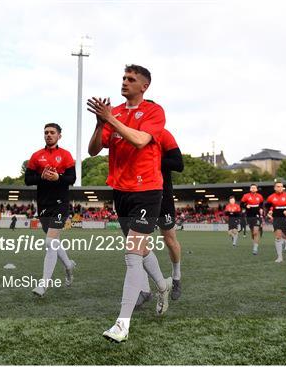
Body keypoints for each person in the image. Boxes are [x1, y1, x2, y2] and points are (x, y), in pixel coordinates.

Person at [87, 64, 171, 343]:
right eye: (123, 77)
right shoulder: (116, 114)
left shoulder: (153, 112)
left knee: (132, 254)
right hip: (121, 192)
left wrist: (110, 119)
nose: (124, 82)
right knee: (141, 250)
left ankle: (122, 324)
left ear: (144, 86)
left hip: (147, 189)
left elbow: (139, 140)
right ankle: (162, 286)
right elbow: (94, 149)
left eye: (131, 79)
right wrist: (101, 124)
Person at [25, 123, 76, 297]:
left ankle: (43, 284)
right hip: (43, 204)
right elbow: (27, 179)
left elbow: (72, 178)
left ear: (59, 136)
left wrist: (57, 177)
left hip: (60, 203)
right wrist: (41, 176)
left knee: (49, 242)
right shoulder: (36, 156)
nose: (48, 135)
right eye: (46, 132)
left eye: (52, 132)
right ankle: (68, 265)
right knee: (53, 242)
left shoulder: (66, 155)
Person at [136, 127, 184, 307]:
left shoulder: (163, 135)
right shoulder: (132, 134)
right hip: (140, 194)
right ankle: (144, 289)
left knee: (170, 240)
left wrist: (153, 160)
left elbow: (179, 164)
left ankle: (176, 277)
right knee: (138, 243)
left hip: (163, 194)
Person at [266, 181, 286, 263]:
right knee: (278, 236)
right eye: (278, 186)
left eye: (281, 186)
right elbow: (267, 207)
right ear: (275, 188)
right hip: (277, 219)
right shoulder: (271, 197)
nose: (280, 188)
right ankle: (280, 257)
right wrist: (269, 212)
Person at [240, 184, 264, 255]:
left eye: (254, 188)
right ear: (250, 189)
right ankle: (254, 242)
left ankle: (255, 248)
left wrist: (261, 209)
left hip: (257, 215)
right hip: (249, 215)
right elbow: (241, 204)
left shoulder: (260, 196)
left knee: (256, 232)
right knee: (252, 232)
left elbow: (261, 204)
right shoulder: (246, 196)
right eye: (252, 188)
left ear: (256, 189)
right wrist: (246, 205)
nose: (253, 189)